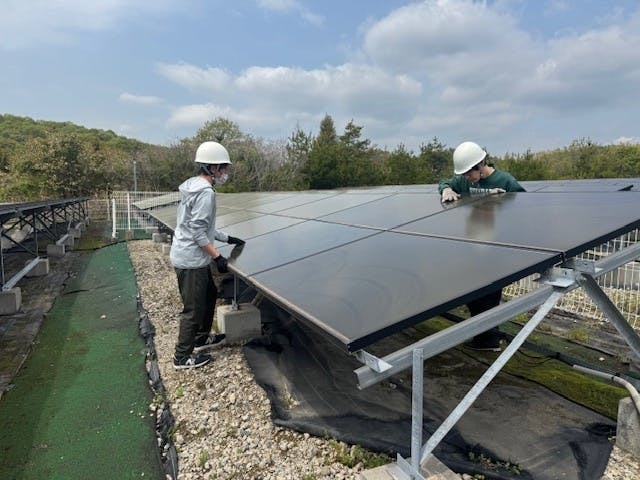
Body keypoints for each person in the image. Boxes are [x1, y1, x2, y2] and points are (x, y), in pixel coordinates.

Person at [438, 141, 526, 351]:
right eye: (464, 174)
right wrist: (446, 189)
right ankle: (482, 338)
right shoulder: (464, 181)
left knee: (489, 296)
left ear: (480, 164)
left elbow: (525, 206)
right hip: (473, 245)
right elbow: (445, 182)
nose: (466, 178)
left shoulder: (504, 180)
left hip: (495, 249)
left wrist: (504, 200)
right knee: (473, 295)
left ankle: (488, 341)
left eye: (469, 173)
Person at [169, 141, 245, 369]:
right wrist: (217, 256)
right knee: (193, 309)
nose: (225, 173)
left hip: (192, 255)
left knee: (210, 294)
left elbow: (203, 226)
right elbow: (197, 231)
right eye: (224, 168)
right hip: (191, 260)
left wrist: (227, 238)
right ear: (212, 168)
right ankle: (182, 357)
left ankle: (201, 339)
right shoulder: (205, 194)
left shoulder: (194, 187)